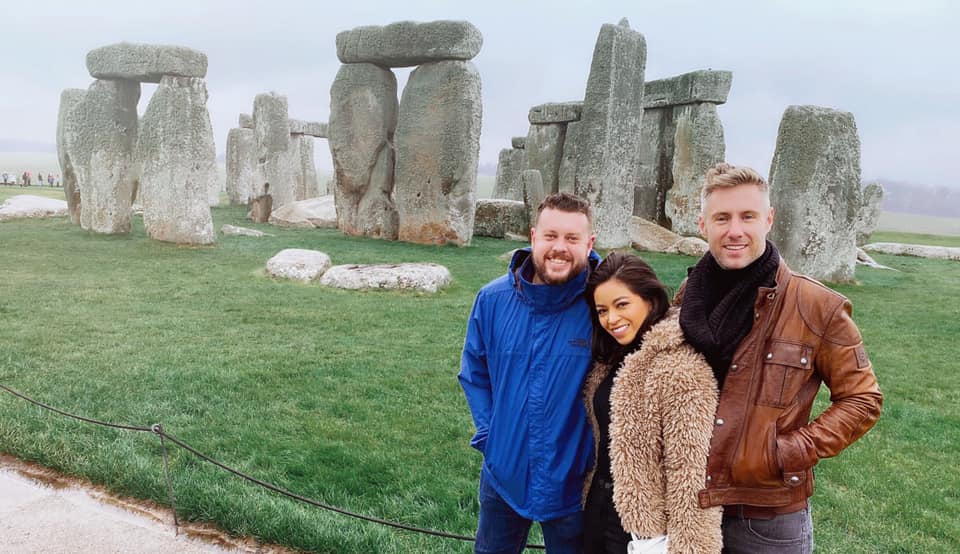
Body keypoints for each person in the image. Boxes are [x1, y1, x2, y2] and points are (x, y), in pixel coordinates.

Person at [677, 162, 883, 553]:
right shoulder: (690, 296)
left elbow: (863, 399)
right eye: (722, 218)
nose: (734, 230)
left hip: (769, 517)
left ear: (768, 219)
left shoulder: (816, 305)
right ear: (703, 224)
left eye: (747, 216)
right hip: (692, 502)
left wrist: (786, 451)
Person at [460, 192, 601, 553]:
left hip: (575, 476)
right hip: (504, 470)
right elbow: (475, 371)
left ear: (589, 244)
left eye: (572, 239)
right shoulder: (492, 300)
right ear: (533, 236)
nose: (560, 248)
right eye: (551, 236)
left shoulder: (604, 305)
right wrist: (492, 436)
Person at [582, 252, 722, 554]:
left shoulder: (681, 368)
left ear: (650, 300)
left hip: (644, 531)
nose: (611, 319)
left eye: (622, 305)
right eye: (602, 310)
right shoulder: (611, 359)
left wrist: (690, 548)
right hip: (597, 510)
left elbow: (691, 472)